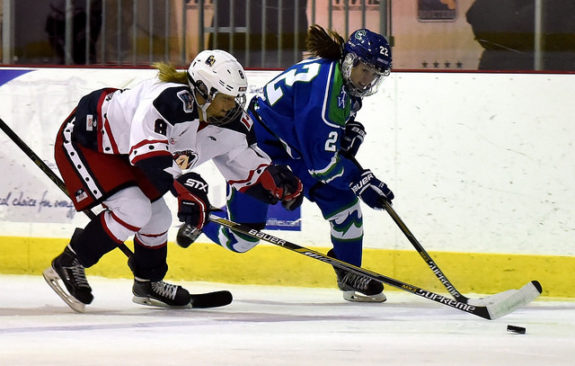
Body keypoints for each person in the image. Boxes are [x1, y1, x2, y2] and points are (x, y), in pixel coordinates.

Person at [43, 49, 303, 312]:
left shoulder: (231, 123)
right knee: (134, 210)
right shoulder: (169, 100)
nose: (231, 106)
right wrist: (186, 189)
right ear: (203, 90)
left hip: (131, 156)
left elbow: (244, 164)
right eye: (225, 98)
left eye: (236, 98)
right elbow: (150, 157)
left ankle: (148, 283)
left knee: (158, 219)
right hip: (91, 141)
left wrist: (273, 181)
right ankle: (70, 261)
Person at [200, 25, 394, 302]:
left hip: (295, 149)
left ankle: (350, 272)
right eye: (365, 70)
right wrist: (359, 179)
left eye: (375, 74)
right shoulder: (325, 91)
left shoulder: (340, 78)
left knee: (345, 205)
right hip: (259, 151)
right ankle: (200, 217)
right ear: (350, 61)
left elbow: (318, 140)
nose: (367, 80)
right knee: (242, 239)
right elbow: (323, 167)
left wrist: (345, 134)